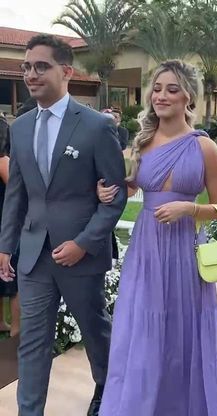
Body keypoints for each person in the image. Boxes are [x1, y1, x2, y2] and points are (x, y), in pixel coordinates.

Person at [97, 60, 217, 416]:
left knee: (181, 330)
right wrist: (109, 191)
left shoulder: (204, 147)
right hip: (147, 248)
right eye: (157, 89)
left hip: (185, 252)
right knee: (143, 328)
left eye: (172, 89)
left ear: (189, 97)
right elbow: (130, 189)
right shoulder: (142, 142)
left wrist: (188, 211)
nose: (161, 96)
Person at [0, 34, 127, 416]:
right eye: (26, 67)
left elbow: (115, 197)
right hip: (35, 255)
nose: (31, 74)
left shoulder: (94, 127)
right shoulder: (19, 128)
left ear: (66, 71)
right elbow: (17, 195)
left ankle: (107, 390)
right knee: (33, 343)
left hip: (80, 257)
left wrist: (84, 243)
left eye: (42, 66)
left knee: (94, 333)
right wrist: (6, 245)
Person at [0, 112, 20, 337]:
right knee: (14, 279)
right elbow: (15, 192)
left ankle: (3, 323)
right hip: (6, 221)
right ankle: (16, 327)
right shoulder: (3, 161)